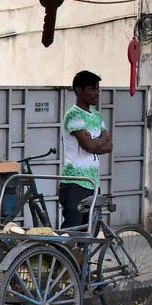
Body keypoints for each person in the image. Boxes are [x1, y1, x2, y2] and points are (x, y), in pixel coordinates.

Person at [59, 70, 113, 228]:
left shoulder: (96, 116)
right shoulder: (73, 115)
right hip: (76, 183)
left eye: (97, 89)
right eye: (91, 89)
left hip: (93, 182)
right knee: (73, 230)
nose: (96, 93)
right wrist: (98, 142)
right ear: (78, 90)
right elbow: (89, 146)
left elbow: (110, 145)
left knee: (92, 230)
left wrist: (97, 143)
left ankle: (82, 254)